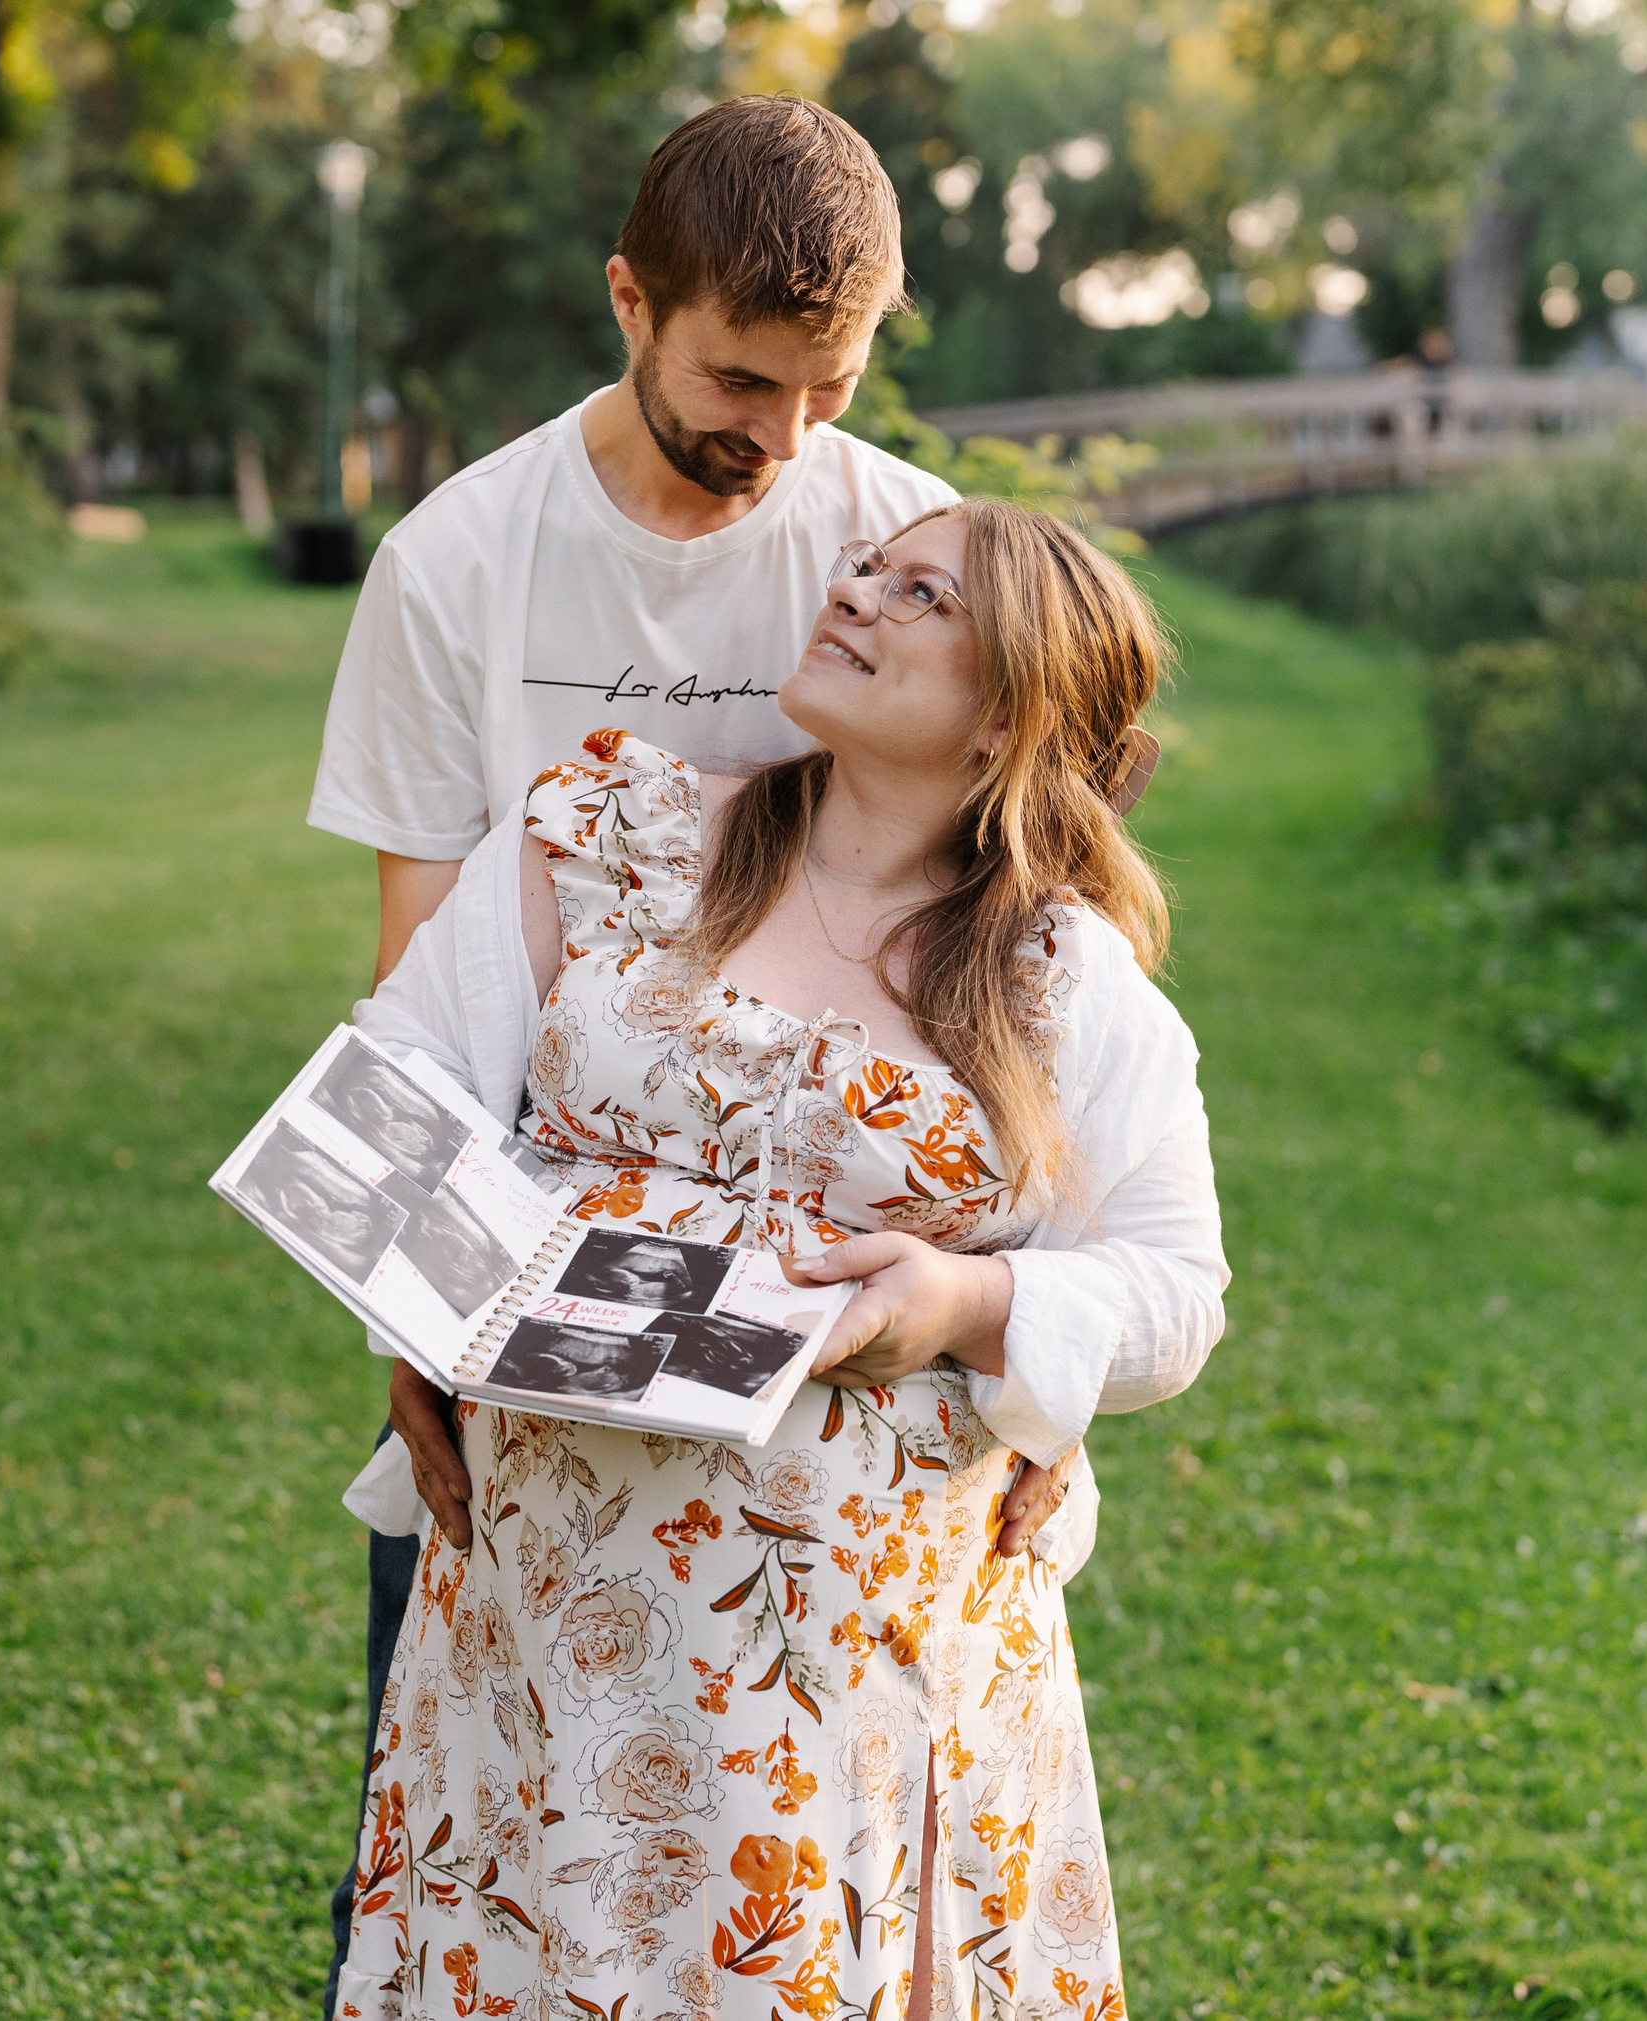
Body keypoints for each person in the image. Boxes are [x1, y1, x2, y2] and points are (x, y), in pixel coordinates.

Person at [304, 95, 1080, 2011]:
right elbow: (424, 996)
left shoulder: (901, 546)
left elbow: (1017, 954)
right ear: (630, 300)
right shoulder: (456, 567)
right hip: (549, 1344)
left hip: (852, 1414)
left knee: (825, 1902)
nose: (787, 442)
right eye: (742, 377)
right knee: (472, 1847)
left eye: (831, 387)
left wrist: (1026, 1335)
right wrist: (418, 1324)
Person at [334, 500, 1228, 2021]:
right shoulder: (611, 833)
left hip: (852, 1665)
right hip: (554, 1619)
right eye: (867, 565)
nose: (858, 590)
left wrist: (965, 1298)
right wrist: (416, 1324)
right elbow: (394, 1096)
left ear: (1007, 703)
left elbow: (1173, 1294)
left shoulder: (1060, 980)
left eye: (919, 591)